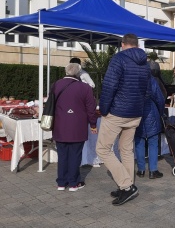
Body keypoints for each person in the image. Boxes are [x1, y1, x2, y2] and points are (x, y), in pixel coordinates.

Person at [96, 33, 151, 206]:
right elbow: (148, 90)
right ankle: (127, 185)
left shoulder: (119, 59)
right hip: (135, 113)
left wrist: (104, 109)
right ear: (136, 44)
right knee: (126, 150)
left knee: (103, 149)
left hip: (118, 113)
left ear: (123, 44)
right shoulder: (145, 63)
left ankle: (126, 186)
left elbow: (109, 86)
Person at [53, 63, 97, 192]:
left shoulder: (56, 85)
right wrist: (93, 124)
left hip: (59, 125)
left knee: (62, 155)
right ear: (78, 73)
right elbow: (91, 109)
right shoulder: (85, 88)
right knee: (75, 154)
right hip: (77, 126)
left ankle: (61, 182)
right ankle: (73, 182)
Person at [134, 75, 165, 179]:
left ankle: (141, 170)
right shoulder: (151, 80)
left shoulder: (133, 78)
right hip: (151, 112)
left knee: (139, 142)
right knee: (153, 143)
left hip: (137, 113)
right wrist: (160, 112)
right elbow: (160, 99)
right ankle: (153, 170)